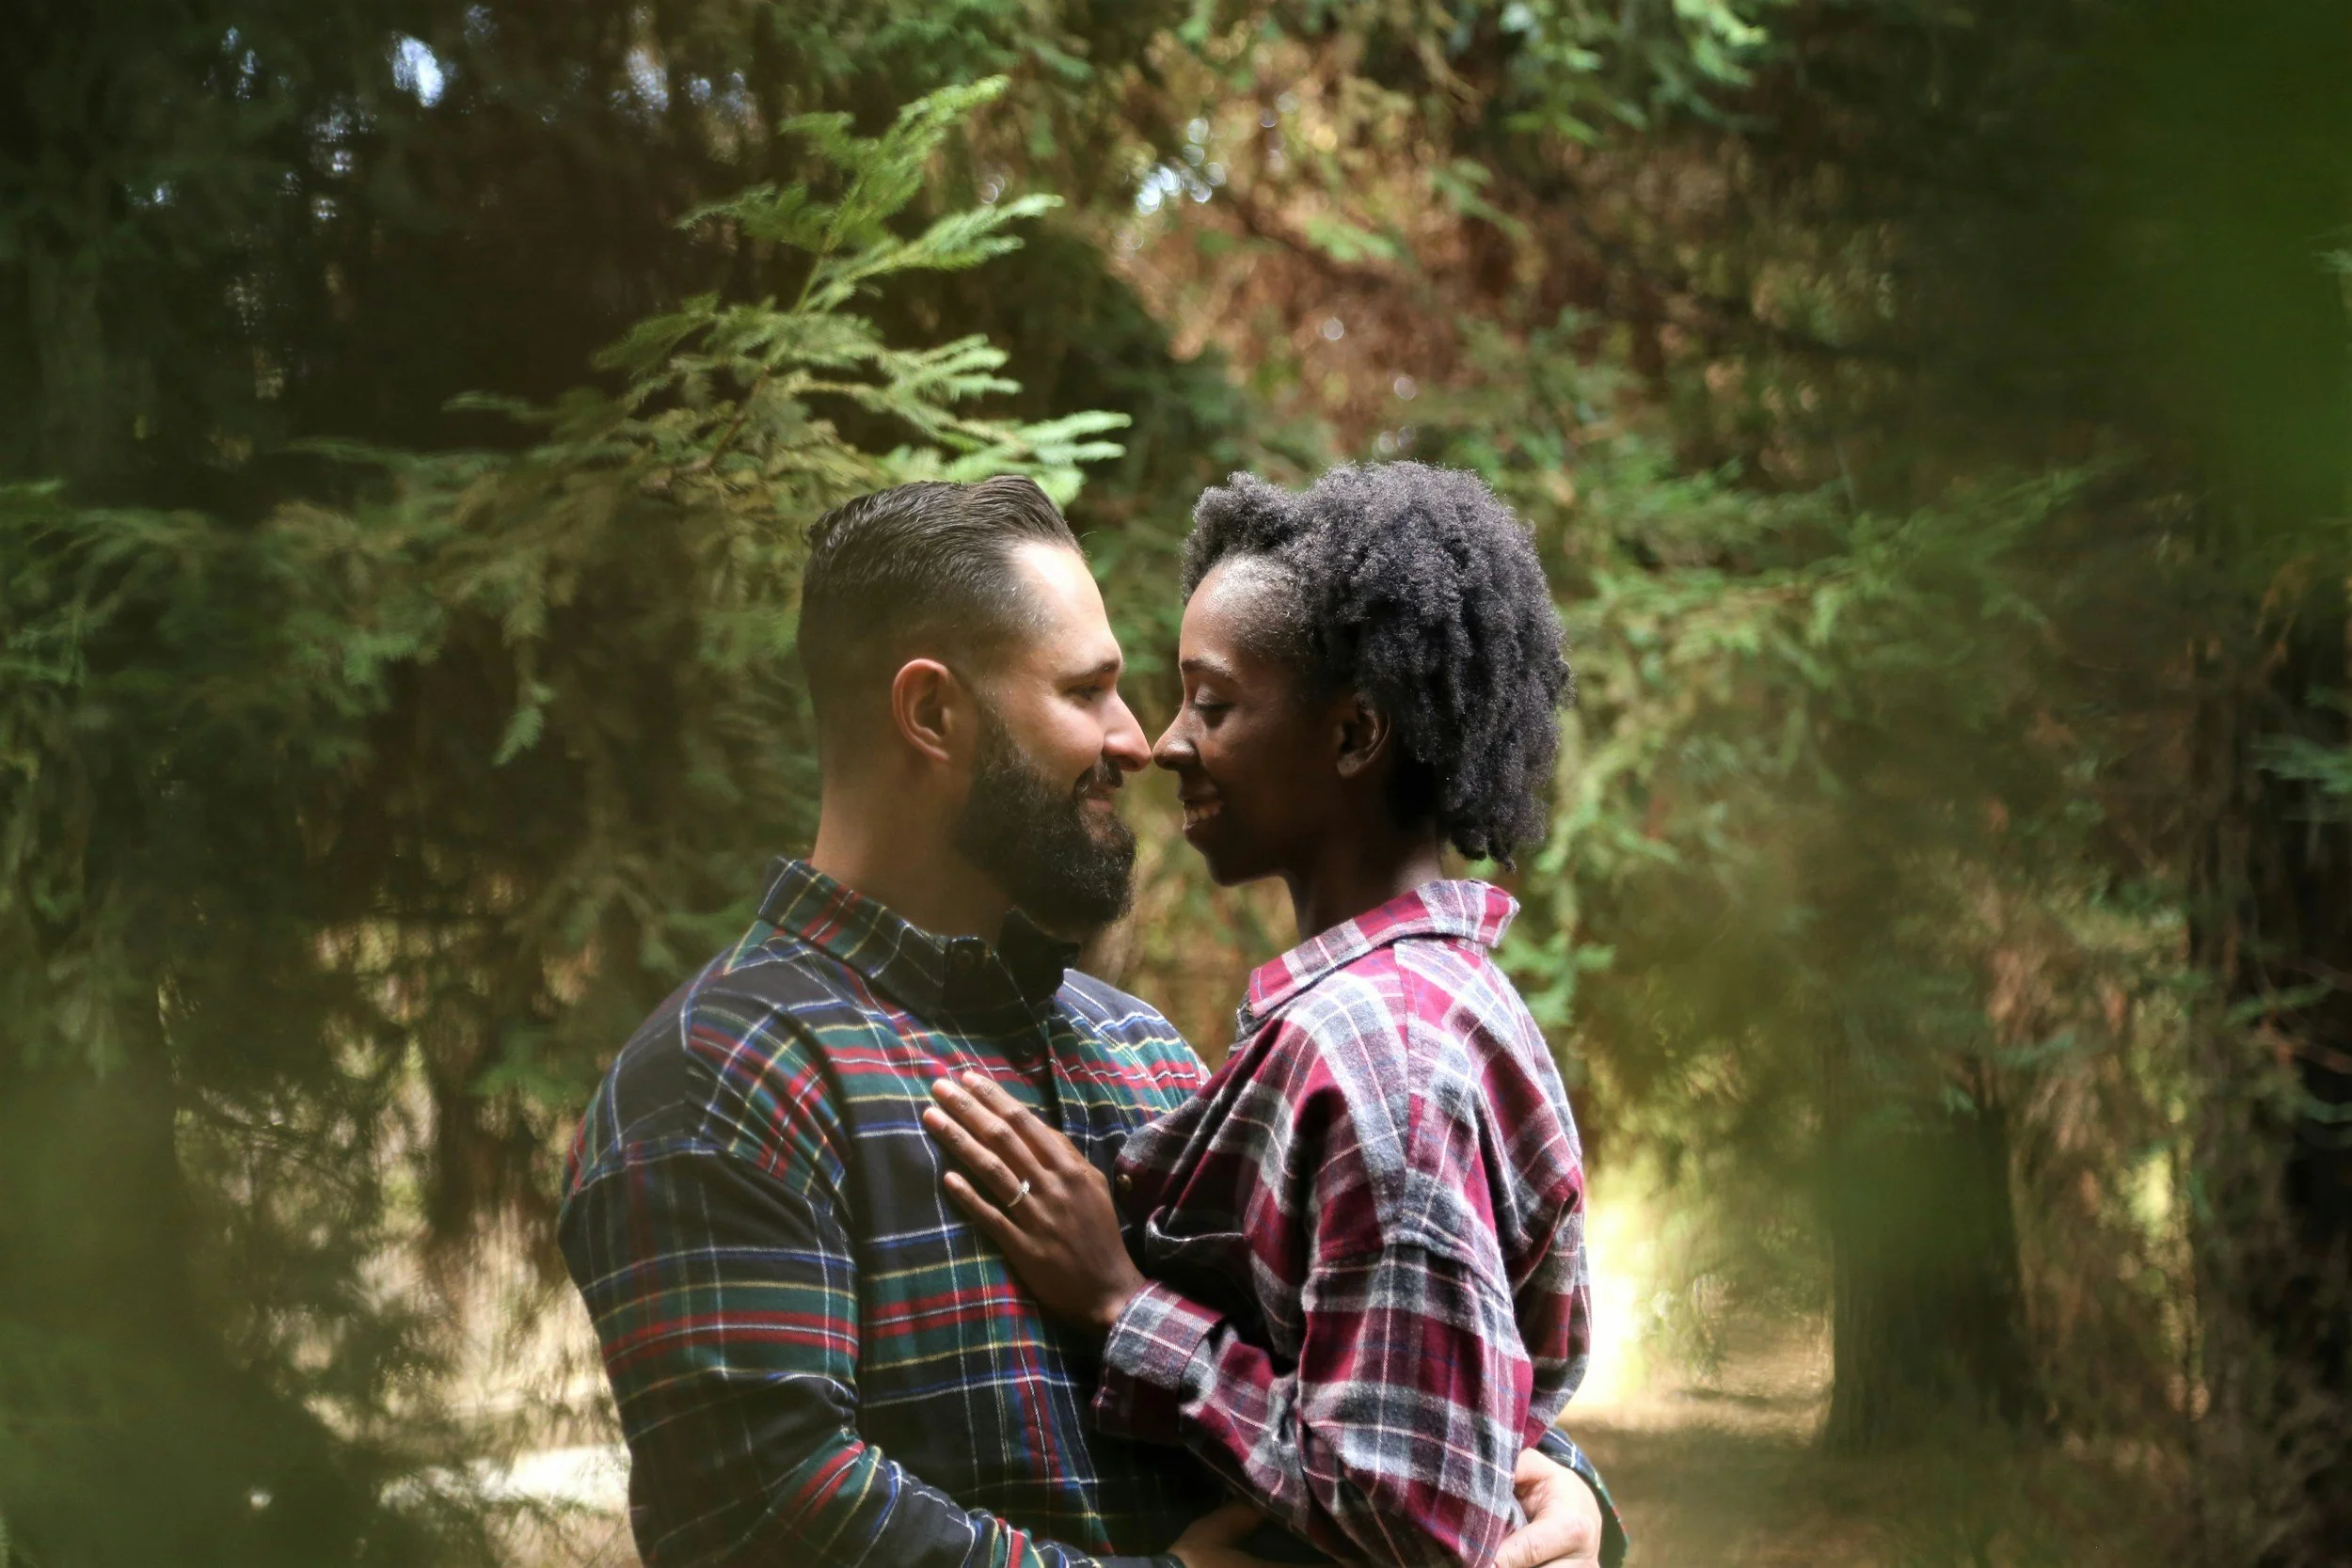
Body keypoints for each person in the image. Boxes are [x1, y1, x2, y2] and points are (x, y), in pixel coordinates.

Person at [556, 476, 1613, 1568]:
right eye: (1088, 691)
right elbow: (765, 1517)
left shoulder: (1139, 1054)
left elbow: (1370, 1373)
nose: (1134, 741)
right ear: (932, 715)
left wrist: (1560, 1497)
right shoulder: (721, 1075)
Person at [924, 465, 1621, 1568]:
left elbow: (1410, 1511)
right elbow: (1452, 1404)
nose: (1163, 741)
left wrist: (1120, 1301)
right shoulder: (1433, 1006)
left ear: (1353, 736)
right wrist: (1562, 1483)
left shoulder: (1378, 1051)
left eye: (1213, 701)